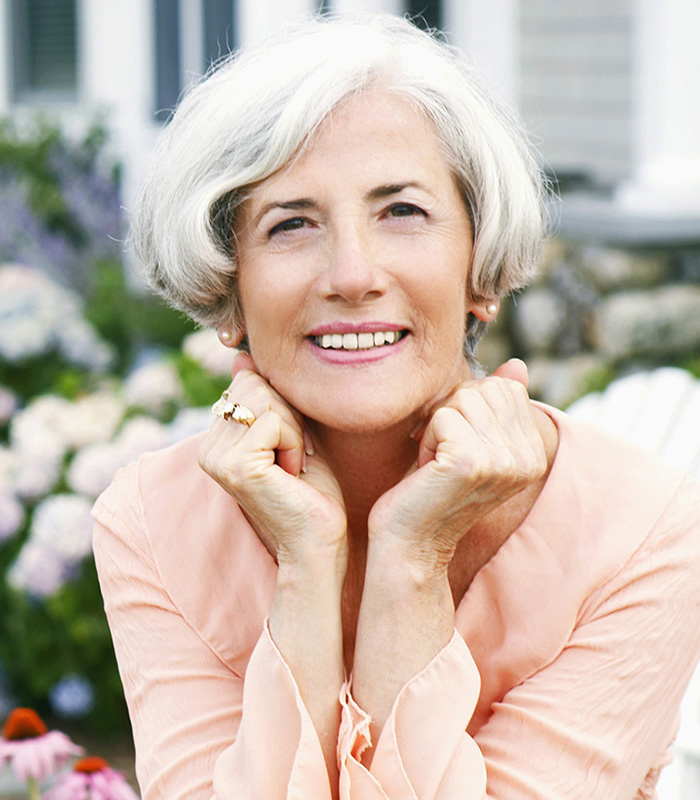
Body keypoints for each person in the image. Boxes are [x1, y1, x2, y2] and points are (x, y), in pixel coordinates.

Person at [92, 14, 700, 800]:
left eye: (402, 211)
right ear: (227, 290)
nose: (352, 273)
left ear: (479, 267)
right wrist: (307, 563)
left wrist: (413, 556)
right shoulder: (152, 521)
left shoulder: (641, 529)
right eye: (291, 223)